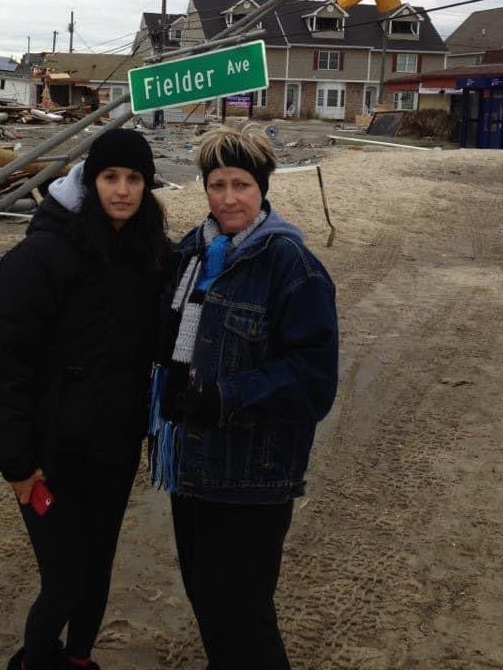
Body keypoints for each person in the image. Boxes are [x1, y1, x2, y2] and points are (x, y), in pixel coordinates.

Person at [0, 128, 170, 670]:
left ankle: (79, 660)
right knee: (64, 579)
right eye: (111, 177)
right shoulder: (40, 255)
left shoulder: (151, 254)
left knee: (98, 568)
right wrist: (17, 463)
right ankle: (36, 661)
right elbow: (1, 366)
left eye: (135, 179)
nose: (124, 190)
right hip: (51, 452)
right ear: (90, 181)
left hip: (112, 446)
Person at [150, 124, 338, 670]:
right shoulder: (191, 252)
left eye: (241, 185)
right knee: (208, 604)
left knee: (245, 615)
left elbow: (312, 381)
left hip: (254, 473)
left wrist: (225, 396)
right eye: (216, 185)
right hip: (190, 462)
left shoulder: (292, 267)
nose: (228, 198)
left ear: (263, 188)